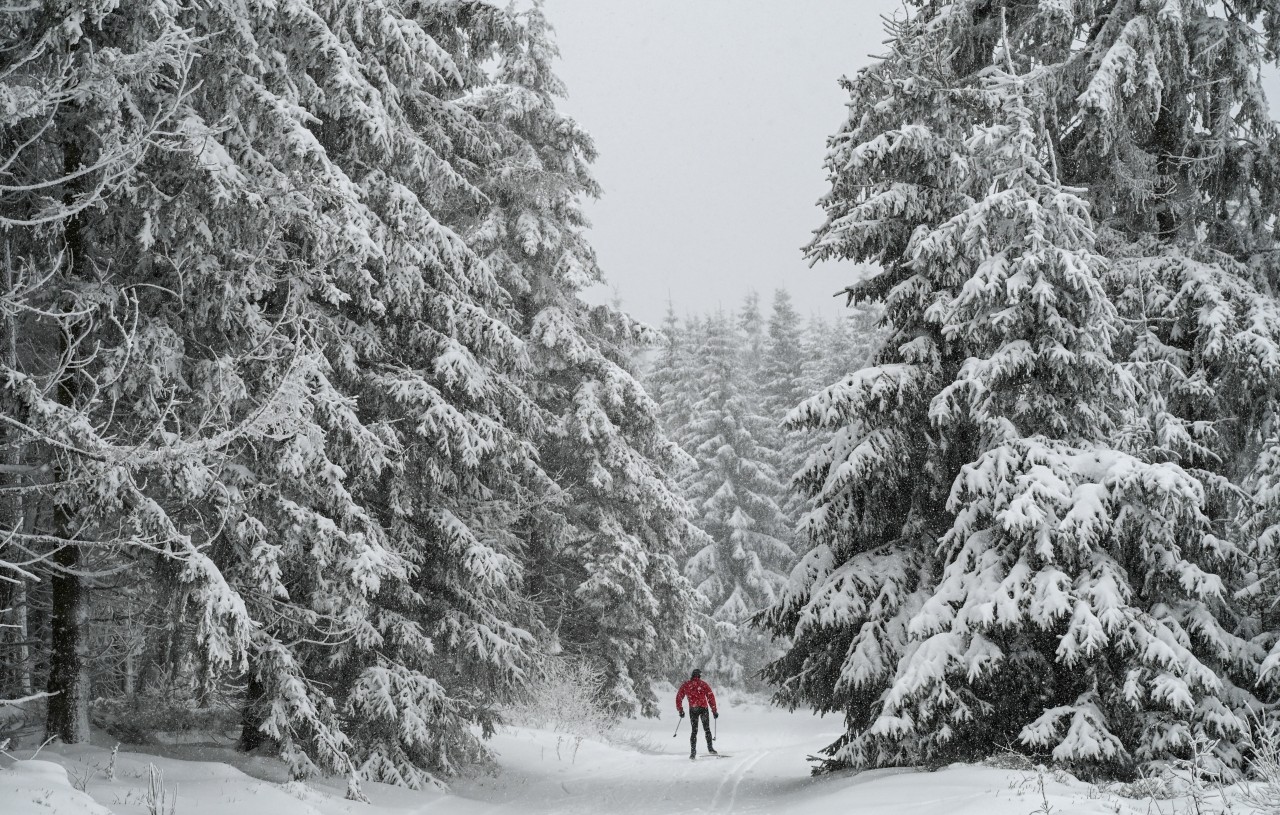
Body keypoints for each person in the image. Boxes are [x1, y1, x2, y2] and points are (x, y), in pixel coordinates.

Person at [675, 668, 718, 759]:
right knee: (707, 729)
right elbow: (711, 697)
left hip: (693, 709)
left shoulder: (686, 685)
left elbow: (679, 697)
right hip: (703, 709)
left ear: (692, 675)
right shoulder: (703, 684)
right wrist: (714, 710)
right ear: (699, 675)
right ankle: (710, 748)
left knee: (694, 731)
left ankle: (693, 752)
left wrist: (680, 710)